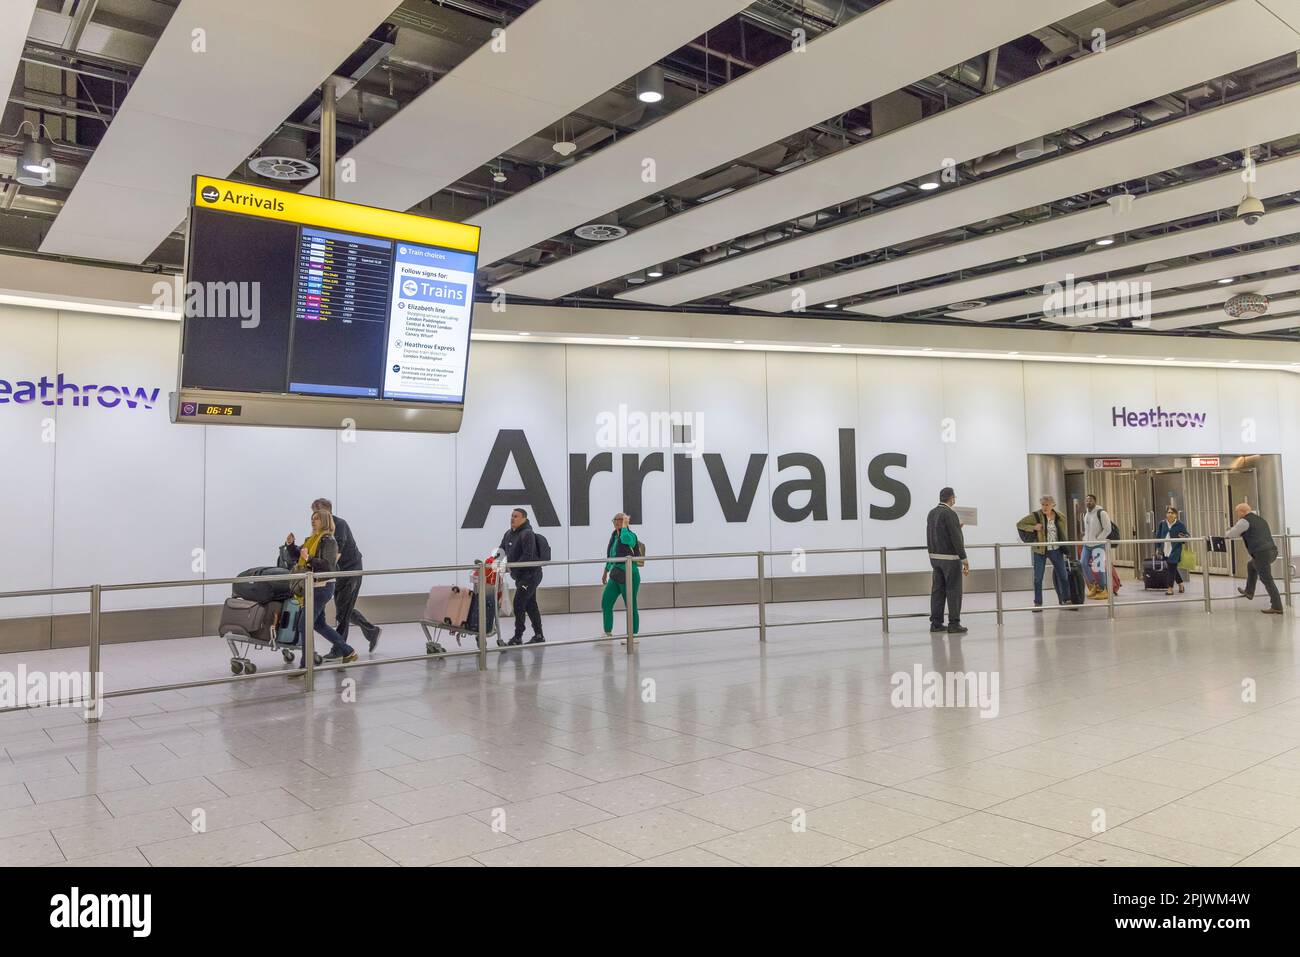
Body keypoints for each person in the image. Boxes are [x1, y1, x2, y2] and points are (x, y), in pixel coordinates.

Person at [284, 508, 356, 668]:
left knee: (304, 624)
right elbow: (299, 556)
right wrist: (290, 545)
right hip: (313, 586)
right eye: (312, 518)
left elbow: (328, 566)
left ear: (324, 521)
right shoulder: (312, 539)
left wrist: (308, 558)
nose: (313, 520)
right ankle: (347, 650)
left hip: (322, 587)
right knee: (318, 624)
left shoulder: (329, 540)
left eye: (316, 518)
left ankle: (305, 666)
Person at [312, 498, 381, 652]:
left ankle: (340, 649)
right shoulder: (320, 529)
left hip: (351, 570)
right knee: (343, 608)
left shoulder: (339, 524)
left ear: (328, 512)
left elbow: (337, 551)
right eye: (314, 513)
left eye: (318, 513)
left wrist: (324, 571)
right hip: (338, 572)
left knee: (343, 611)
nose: (315, 517)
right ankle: (371, 631)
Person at [1225, 503, 1283, 615]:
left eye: (1237, 512)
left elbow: (1231, 534)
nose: (1237, 514)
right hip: (1272, 551)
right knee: (1251, 565)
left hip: (1261, 553)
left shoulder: (1244, 521)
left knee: (1267, 580)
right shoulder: (1260, 519)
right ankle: (1249, 592)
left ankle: (1277, 606)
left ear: (1242, 511)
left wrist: (1228, 530)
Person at [1016, 495, 1071, 611]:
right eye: (1043, 505)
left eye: (1047, 505)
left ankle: (1066, 599)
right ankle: (1038, 603)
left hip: (1056, 549)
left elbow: (1062, 533)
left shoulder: (1060, 517)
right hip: (1040, 550)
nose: (1045, 507)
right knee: (1038, 578)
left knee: (1063, 575)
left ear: (1052, 505)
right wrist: (1033, 527)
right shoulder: (1035, 516)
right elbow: (1020, 524)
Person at [926, 487, 968, 634]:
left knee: (937, 591)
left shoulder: (932, 513)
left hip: (935, 558)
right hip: (950, 559)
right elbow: (955, 538)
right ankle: (954, 623)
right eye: (954, 497)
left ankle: (936, 623)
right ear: (951, 498)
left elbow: (937, 533)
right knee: (954, 590)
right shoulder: (950, 513)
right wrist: (964, 558)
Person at [500, 508, 545, 644]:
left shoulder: (527, 534)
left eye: (516, 516)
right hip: (520, 576)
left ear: (524, 519)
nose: (512, 518)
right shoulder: (508, 534)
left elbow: (527, 556)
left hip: (531, 575)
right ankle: (539, 635)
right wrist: (493, 560)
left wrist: (511, 567)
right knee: (530, 605)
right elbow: (501, 551)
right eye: (512, 516)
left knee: (519, 603)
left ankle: (518, 636)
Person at [601, 513, 640, 645]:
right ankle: (607, 633)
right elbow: (611, 555)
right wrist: (606, 571)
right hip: (616, 573)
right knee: (606, 601)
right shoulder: (613, 537)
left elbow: (625, 540)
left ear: (626, 522)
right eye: (615, 520)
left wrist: (624, 527)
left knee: (631, 605)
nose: (616, 522)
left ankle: (633, 635)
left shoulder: (630, 535)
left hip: (629, 574)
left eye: (620, 520)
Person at [1080, 494, 1113, 600]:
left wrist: (1098, 539)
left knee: (1099, 568)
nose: (1088, 502)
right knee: (1083, 563)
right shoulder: (1086, 514)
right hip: (1087, 544)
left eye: (1090, 500)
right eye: (1086, 500)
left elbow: (1108, 529)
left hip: (1098, 544)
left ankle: (1104, 590)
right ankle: (1094, 585)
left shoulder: (1101, 513)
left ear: (1095, 501)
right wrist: (1085, 538)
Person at [1154, 506, 1190, 597]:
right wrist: (1157, 548)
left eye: (1172, 513)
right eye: (1168, 512)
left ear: (1176, 515)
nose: (1170, 514)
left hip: (1175, 550)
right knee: (1172, 568)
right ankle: (1181, 583)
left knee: (1171, 567)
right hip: (1165, 550)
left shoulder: (1180, 524)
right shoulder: (1162, 523)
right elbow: (1158, 536)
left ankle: (1170, 588)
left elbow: (1187, 536)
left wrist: (1183, 537)